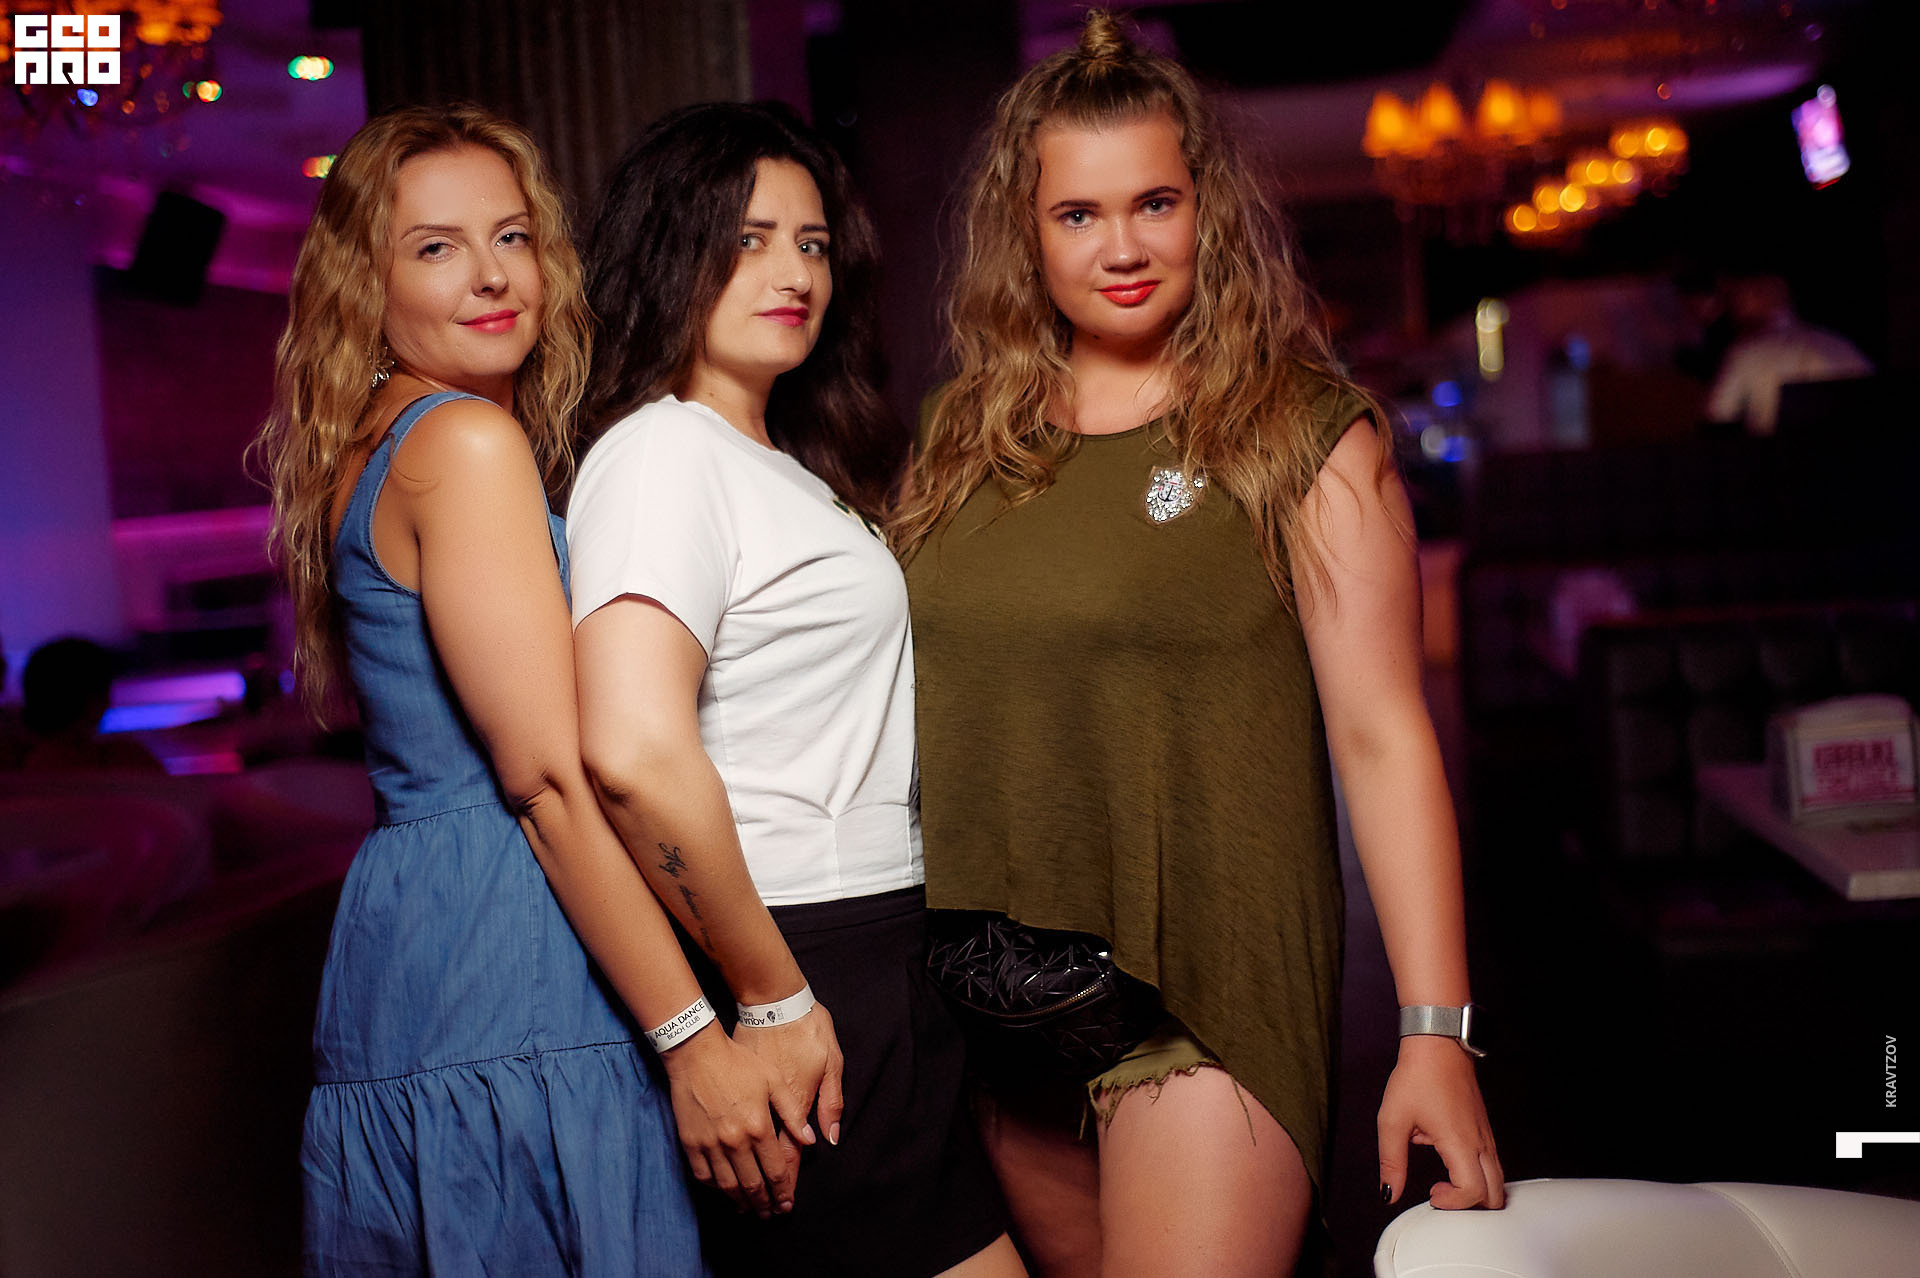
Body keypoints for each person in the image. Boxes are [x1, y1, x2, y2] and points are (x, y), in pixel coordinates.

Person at [890, 13, 1504, 1276]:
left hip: (1204, 994)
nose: (1121, 247)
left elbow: (1385, 739)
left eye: (1154, 203)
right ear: (1026, 232)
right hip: (988, 997)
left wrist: (1435, 1031)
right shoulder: (961, 432)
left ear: (1206, 210)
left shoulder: (1302, 434)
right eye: (1078, 214)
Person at [254, 103, 803, 1274]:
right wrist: (697, 1038)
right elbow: (548, 784)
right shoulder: (463, 444)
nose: (493, 276)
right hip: (511, 946)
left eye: (511, 237)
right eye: (436, 247)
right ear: (368, 284)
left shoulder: (382, 438)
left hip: (420, 934)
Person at [568, 101, 1024, 1278]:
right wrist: (771, 996)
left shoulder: (780, 463)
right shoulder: (664, 452)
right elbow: (630, 749)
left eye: (812, 243)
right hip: (800, 942)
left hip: (871, 947)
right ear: (671, 250)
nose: (794, 273)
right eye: (749, 238)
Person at [1705, 273, 1872, 435]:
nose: (1729, 304)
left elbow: (1718, 415)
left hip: (1777, 451)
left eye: (1735, 294)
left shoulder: (1744, 351)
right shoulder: (1840, 344)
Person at [17, 636, 163, 772]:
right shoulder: (130, 763)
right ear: (95, 703)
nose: (110, 703)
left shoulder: (14, 770)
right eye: (106, 692)